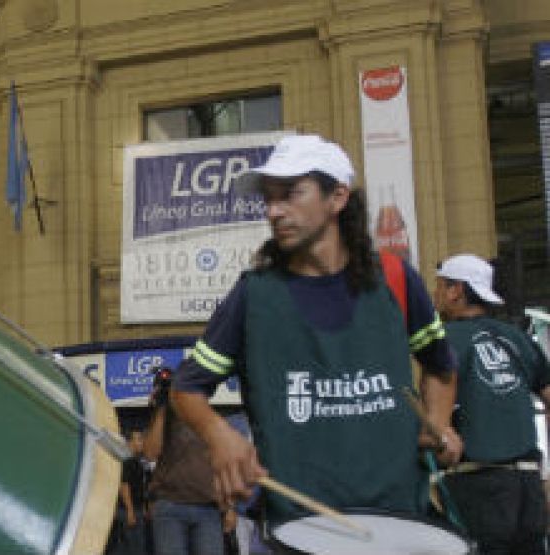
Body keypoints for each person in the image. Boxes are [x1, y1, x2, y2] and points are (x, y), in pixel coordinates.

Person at [170, 134, 462, 527]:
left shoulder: (394, 277)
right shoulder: (254, 295)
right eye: (269, 199)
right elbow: (186, 388)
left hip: (399, 518)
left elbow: (441, 366)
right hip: (298, 526)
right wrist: (218, 434)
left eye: (291, 194)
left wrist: (438, 423)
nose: (274, 211)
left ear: (337, 198)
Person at [432, 253, 550, 553]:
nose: (435, 294)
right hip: (528, 483)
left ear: (456, 290)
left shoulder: (443, 341)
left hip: (479, 482)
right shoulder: (518, 339)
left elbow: (438, 424)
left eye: (440, 285)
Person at [144, 367, 225, 555]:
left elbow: (219, 462)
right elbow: (150, 453)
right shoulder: (162, 419)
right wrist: (162, 409)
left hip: (208, 507)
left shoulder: (208, 417)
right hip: (170, 507)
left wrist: (229, 508)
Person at [110, 429, 150, 555]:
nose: (142, 442)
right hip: (127, 510)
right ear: (129, 442)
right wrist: (130, 510)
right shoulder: (127, 460)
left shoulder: (136, 461)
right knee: (135, 548)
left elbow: (140, 487)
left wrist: (143, 506)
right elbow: (124, 485)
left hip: (135, 509)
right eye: (139, 439)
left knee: (124, 547)